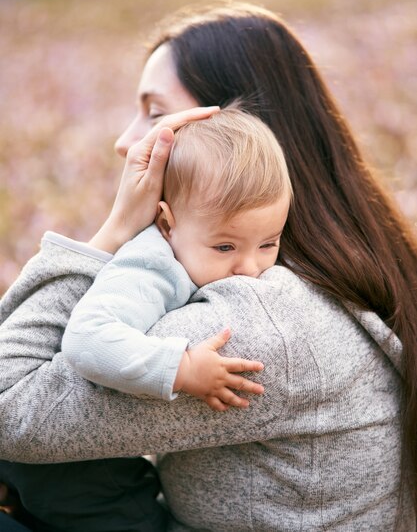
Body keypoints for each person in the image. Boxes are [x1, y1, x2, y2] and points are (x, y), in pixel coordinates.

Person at [0, 1, 417, 531]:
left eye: (156, 114)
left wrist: (109, 235)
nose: (126, 141)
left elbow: (6, 406)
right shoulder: (311, 277)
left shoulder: (259, 318)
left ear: (237, 139)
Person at [0, 108, 290, 532]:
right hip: (75, 478)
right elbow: (88, 338)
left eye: (268, 244)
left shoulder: (197, 249)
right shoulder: (149, 267)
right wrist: (182, 368)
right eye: (225, 247)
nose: (250, 267)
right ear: (166, 223)